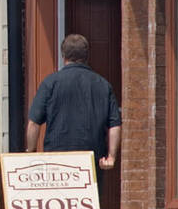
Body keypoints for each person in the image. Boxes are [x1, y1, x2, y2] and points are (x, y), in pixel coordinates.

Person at [26, 33, 121, 170]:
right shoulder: (103, 85)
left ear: (63, 56)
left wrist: (31, 152)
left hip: (56, 161)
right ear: (87, 56)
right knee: (89, 191)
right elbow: (115, 125)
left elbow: (34, 123)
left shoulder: (50, 83)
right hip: (91, 160)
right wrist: (111, 157)